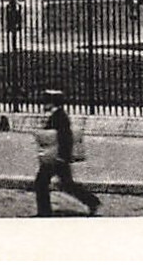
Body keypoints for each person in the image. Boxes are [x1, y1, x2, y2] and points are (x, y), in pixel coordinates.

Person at [34, 89, 101, 217]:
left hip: (57, 157)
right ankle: (92, 201)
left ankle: (44, 212)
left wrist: (62, 156)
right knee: (67, 184)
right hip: (57, 156)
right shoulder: (58, 115)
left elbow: (65, 138)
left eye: (46, 101)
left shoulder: (59, 116)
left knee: (41, 183)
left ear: (52, 103)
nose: (44, 104)